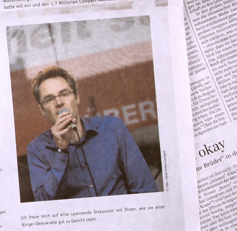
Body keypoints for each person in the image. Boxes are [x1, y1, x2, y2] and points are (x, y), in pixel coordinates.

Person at [26, 66, 158, 201]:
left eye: (64, 94)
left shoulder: (112, 127)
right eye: (49, 99)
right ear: (42, 110)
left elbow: (145, 187)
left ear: (77, 97)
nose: (59, 103)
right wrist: (60, 151)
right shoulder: (37, 149)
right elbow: (44, 203)